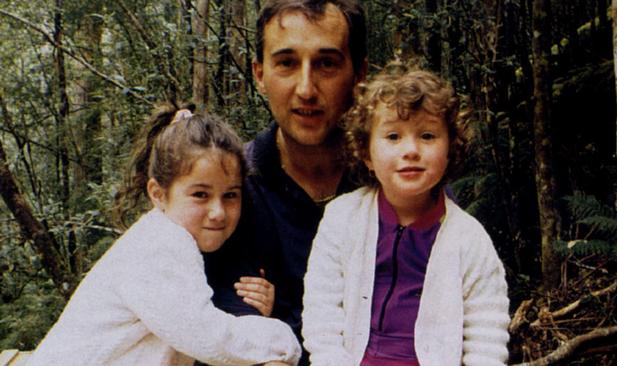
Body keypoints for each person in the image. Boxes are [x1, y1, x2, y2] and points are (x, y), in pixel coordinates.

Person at [27, 104, 301, 366]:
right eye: (200, 195)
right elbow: (206, 336)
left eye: (230, 195)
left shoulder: (170, 238)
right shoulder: (160, 246)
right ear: (158, 194)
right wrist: (280, 338)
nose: (218, 211)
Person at [301, 65, 511, 365]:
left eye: (427, 135)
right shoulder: (343, 218)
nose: (411, 150)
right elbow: (322, 312)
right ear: (366, 153)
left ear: (450, 149)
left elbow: (487, 335)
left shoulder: (469, 238)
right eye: (393, 136)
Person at [202, 0, 367, 363]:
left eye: (326, 63)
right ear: (260, 73)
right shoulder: (228, 190)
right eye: (287, 63)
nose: (306, 89)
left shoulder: (398, 186)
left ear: (359, 74)